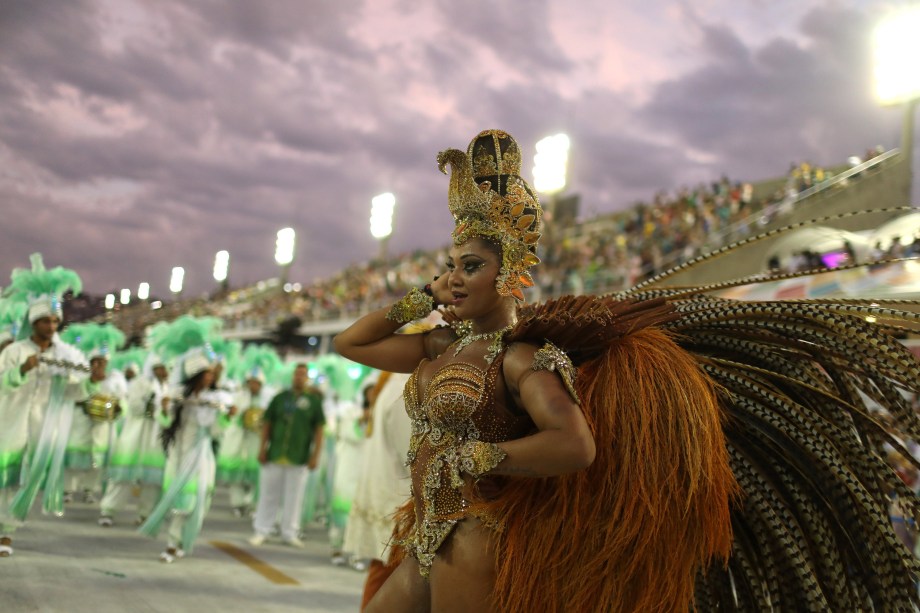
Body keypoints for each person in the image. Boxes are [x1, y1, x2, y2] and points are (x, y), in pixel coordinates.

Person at [335, 130, 920, 611]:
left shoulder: (522, 359)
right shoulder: (438, 345)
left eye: (471, 265)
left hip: (476, 540)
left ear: (509, 272)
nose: (455, 277)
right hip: (425, 534)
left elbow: (575, 445)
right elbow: (350, 342)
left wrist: (485, 456)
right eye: (449, 265)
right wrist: (420, 298)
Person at [0, 254, 99, 558]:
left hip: (44, 427)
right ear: (34, 322)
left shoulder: (68, 353)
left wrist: (80, 377)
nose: (52, 325)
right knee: (5, 475)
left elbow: (81, 388)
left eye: (56, 320)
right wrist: (23, 370)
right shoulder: (15, 351)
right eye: (46, 320)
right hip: (10, 420)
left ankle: (7, 532)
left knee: (22, 481)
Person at [248, 363, 324, 548]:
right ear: (292, 376)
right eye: (296, 374)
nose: (299, 377)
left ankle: (289, 533)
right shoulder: (280, 398)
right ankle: (262, 530)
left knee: (295, 497)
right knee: (268, 494)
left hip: (299, 456)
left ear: (307, 378)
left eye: (303, 374)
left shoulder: (313, 402)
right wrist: (262, 448)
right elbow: (267, 424)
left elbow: (319, 430)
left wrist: (315, 456)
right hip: (275, 453)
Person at [98, 356, 172, 527]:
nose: (164, 371)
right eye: (160, 367)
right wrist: (154, 401)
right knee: (122, 476)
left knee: (152, 480)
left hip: (155, 438)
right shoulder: (140, 383)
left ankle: (145, 514)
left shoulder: (169, 387)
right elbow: (134, 406)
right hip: (135, 435)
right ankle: (108, 510)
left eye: (166, 368)